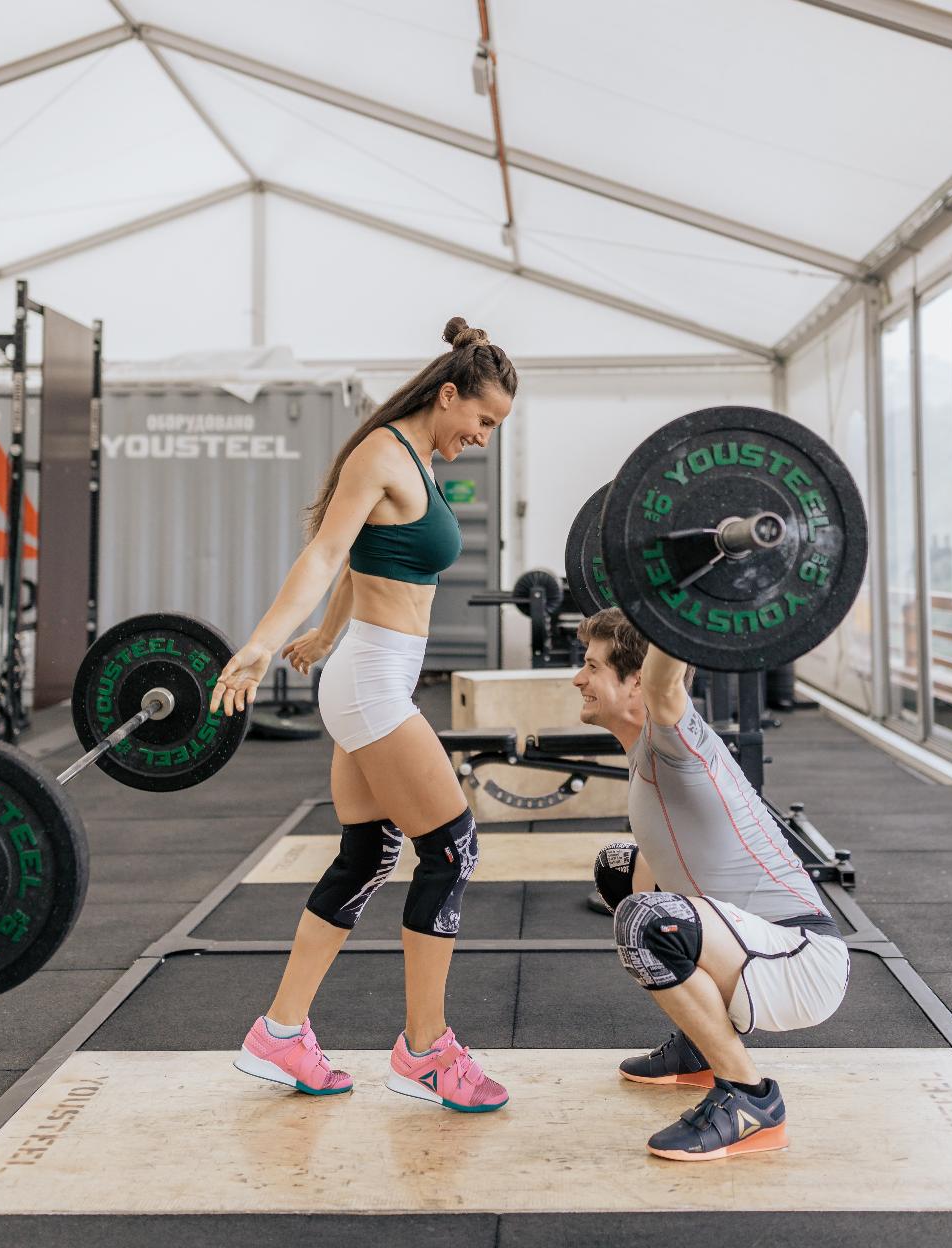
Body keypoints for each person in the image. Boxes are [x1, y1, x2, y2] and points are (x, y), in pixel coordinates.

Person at [210, 317, 516, 1114]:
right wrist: (263, 644)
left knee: (368, 854)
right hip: (373, 685)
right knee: (450, 848)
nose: (482, 437)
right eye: (481, 420)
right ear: (447, 395)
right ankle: (425, 1052)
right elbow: (323, 551)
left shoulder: (418, 459)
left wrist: (324, 632)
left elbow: (368, 558)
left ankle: (279, 1033)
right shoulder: (382, 453)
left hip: (369, 672)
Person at [573, 608, 850, 1160]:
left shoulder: (674, 737)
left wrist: (674, 596)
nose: (578, 678)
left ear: (635, 684)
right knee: (619, 868)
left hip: (798, 960)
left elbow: (665, 679)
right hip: (756, 945)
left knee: (645, 925)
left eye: (592, 666)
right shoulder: (645, 751)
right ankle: (700, 1050)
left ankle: (751, 1101)